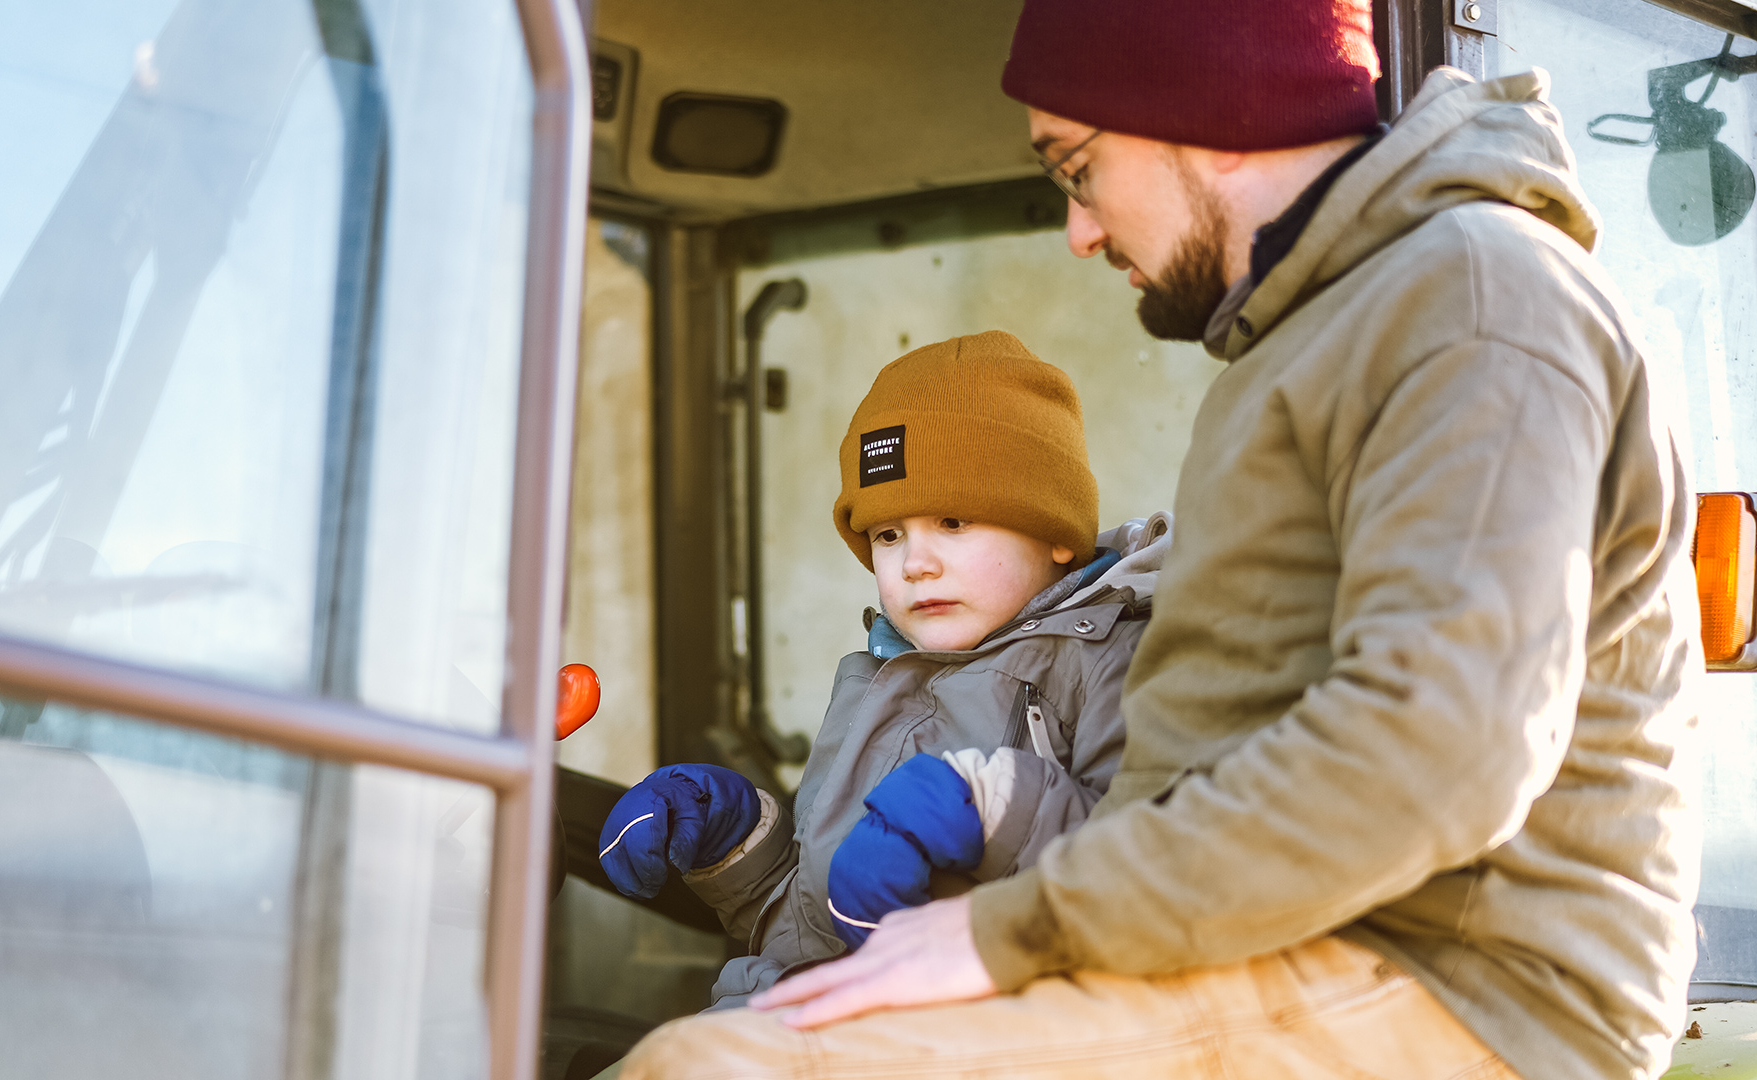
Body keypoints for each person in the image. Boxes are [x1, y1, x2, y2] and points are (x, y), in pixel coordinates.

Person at [619, 0, 1702, 1078]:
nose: (1080, 232)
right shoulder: (1308, 340)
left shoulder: (1470, 296)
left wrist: (1008, 931)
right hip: (1263, 939)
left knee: (722, 1071)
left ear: (1210, 116)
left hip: (1461, 982)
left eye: (1078, 169)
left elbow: (1443, 748)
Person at [595, 331, 1170, 1007]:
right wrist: (734, 840)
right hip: (781, 1019)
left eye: (953, 522)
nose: (913, 562)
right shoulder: (878, 673)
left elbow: (1148, 869)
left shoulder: (1118, 657)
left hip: (964, 1032)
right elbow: (806, 931)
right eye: (888, 534)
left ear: (1056, 533)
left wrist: (988, 809)